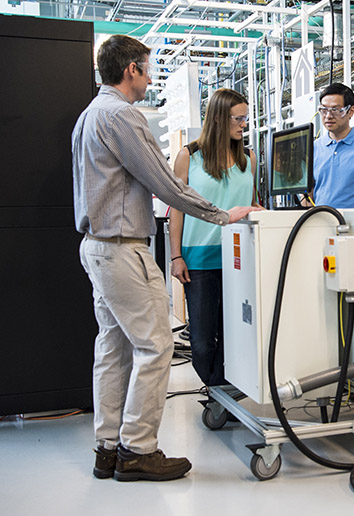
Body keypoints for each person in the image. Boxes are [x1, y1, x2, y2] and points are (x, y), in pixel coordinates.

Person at [72, 35, 260, 482]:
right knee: (155, 346)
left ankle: (107, 447)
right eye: (147, 68)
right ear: (131, 70)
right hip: (121, 248)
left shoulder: (88, 116)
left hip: (97, 246)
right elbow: (166, 186)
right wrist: (221, 215)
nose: (150, 77)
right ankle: (137, 449)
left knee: (112, 349)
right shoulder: (121, 115)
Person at [169, 88, 258, 388]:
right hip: (199, 259)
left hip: (240, 258)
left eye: (246, 118)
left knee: (235, 333)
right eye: (238, 118)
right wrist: (175, 256)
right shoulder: (189, 156)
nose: (243, 124)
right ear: (220, 118)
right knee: (203, 342)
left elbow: (252, 203)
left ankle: (223, 395)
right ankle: (216, 387)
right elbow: (177, 210)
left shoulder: (248, 157)